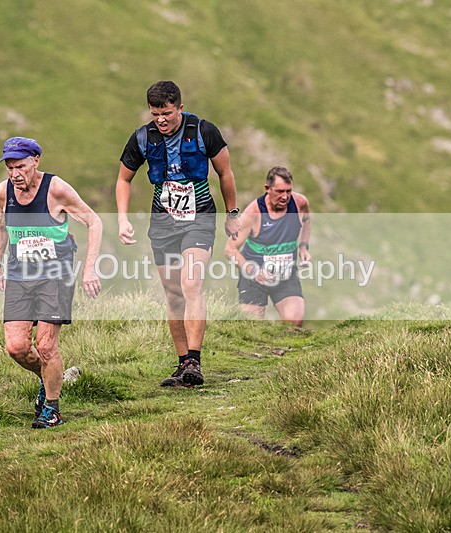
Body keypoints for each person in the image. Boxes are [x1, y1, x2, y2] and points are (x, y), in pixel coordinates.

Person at [115, 80, 241, 387]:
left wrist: (232, 213)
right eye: (155, 114)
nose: (161, 120)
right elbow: (123, 179)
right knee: (173, 293)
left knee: (191, 283)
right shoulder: (142, 137)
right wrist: (122, 219)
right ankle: (183, 362)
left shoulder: (203, 132)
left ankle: (195, 361)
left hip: (199, 218)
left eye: (167, 113)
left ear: (180, 108)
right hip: (163, 223)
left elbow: (225, 172)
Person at [0, 137, 102, 428]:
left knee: (46, 346)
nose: (15, 174)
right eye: (10, 168)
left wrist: (90, 268)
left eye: (21, 167)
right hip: (19, 274)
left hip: (55, 274)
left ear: (36, 161)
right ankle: (49, 377)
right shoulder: (3, 192)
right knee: (16, 347)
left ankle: (52, 409)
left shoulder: (56, 189)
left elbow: (94, 221)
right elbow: (0, 227)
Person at [225, 166, 311, 327]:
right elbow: (230, 249)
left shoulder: (300, 203)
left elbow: (306, 220)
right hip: (254, 278)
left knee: (295, 322)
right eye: (279, 191)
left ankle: (284, 343)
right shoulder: (253, 214)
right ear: (267, 189)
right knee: (252, 328)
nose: (285, 197)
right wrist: (253, 271)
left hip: (286, 275)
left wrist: (303, 247)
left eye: (288, 191)